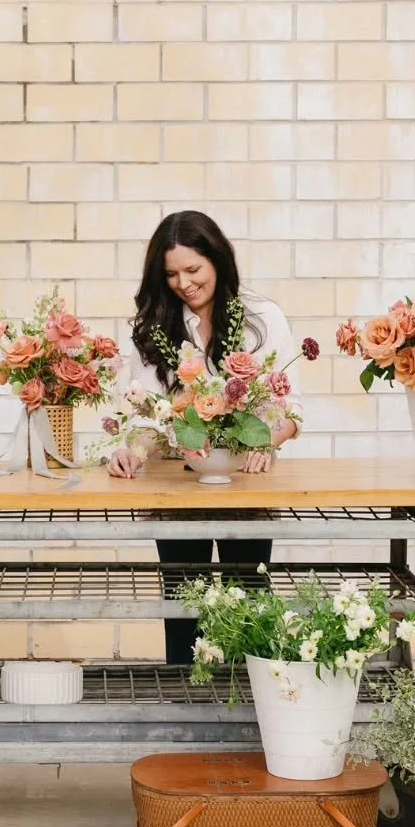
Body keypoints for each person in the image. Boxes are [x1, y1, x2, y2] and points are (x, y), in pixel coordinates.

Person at [107, 210, 301, 666]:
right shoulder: (152, 325)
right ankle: (186, 707)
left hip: (245, 483)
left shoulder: (261, 317)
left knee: (249, 596)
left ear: (218, 261)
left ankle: (255, 708)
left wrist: (262, 442)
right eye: (171, 274)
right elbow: (148, 415)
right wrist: (131, 450)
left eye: (193, 270)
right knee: (183, 601)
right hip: (178, 483)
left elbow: (293, 413)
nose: (184, 283)